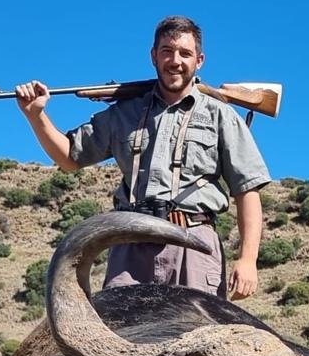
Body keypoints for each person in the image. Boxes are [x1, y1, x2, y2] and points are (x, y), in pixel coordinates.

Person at [14, 15, 270, 300]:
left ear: (199, 61)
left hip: (195, 245)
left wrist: (248, 260)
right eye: (167, 51)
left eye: (185, 53)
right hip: (130, 245)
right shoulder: (125, 113)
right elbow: (69, 157)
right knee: (120, 336)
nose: (175, 61)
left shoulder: (220, 114)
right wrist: (35, 115)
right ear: (153, 56)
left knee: (197, 337)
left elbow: (247, 190)